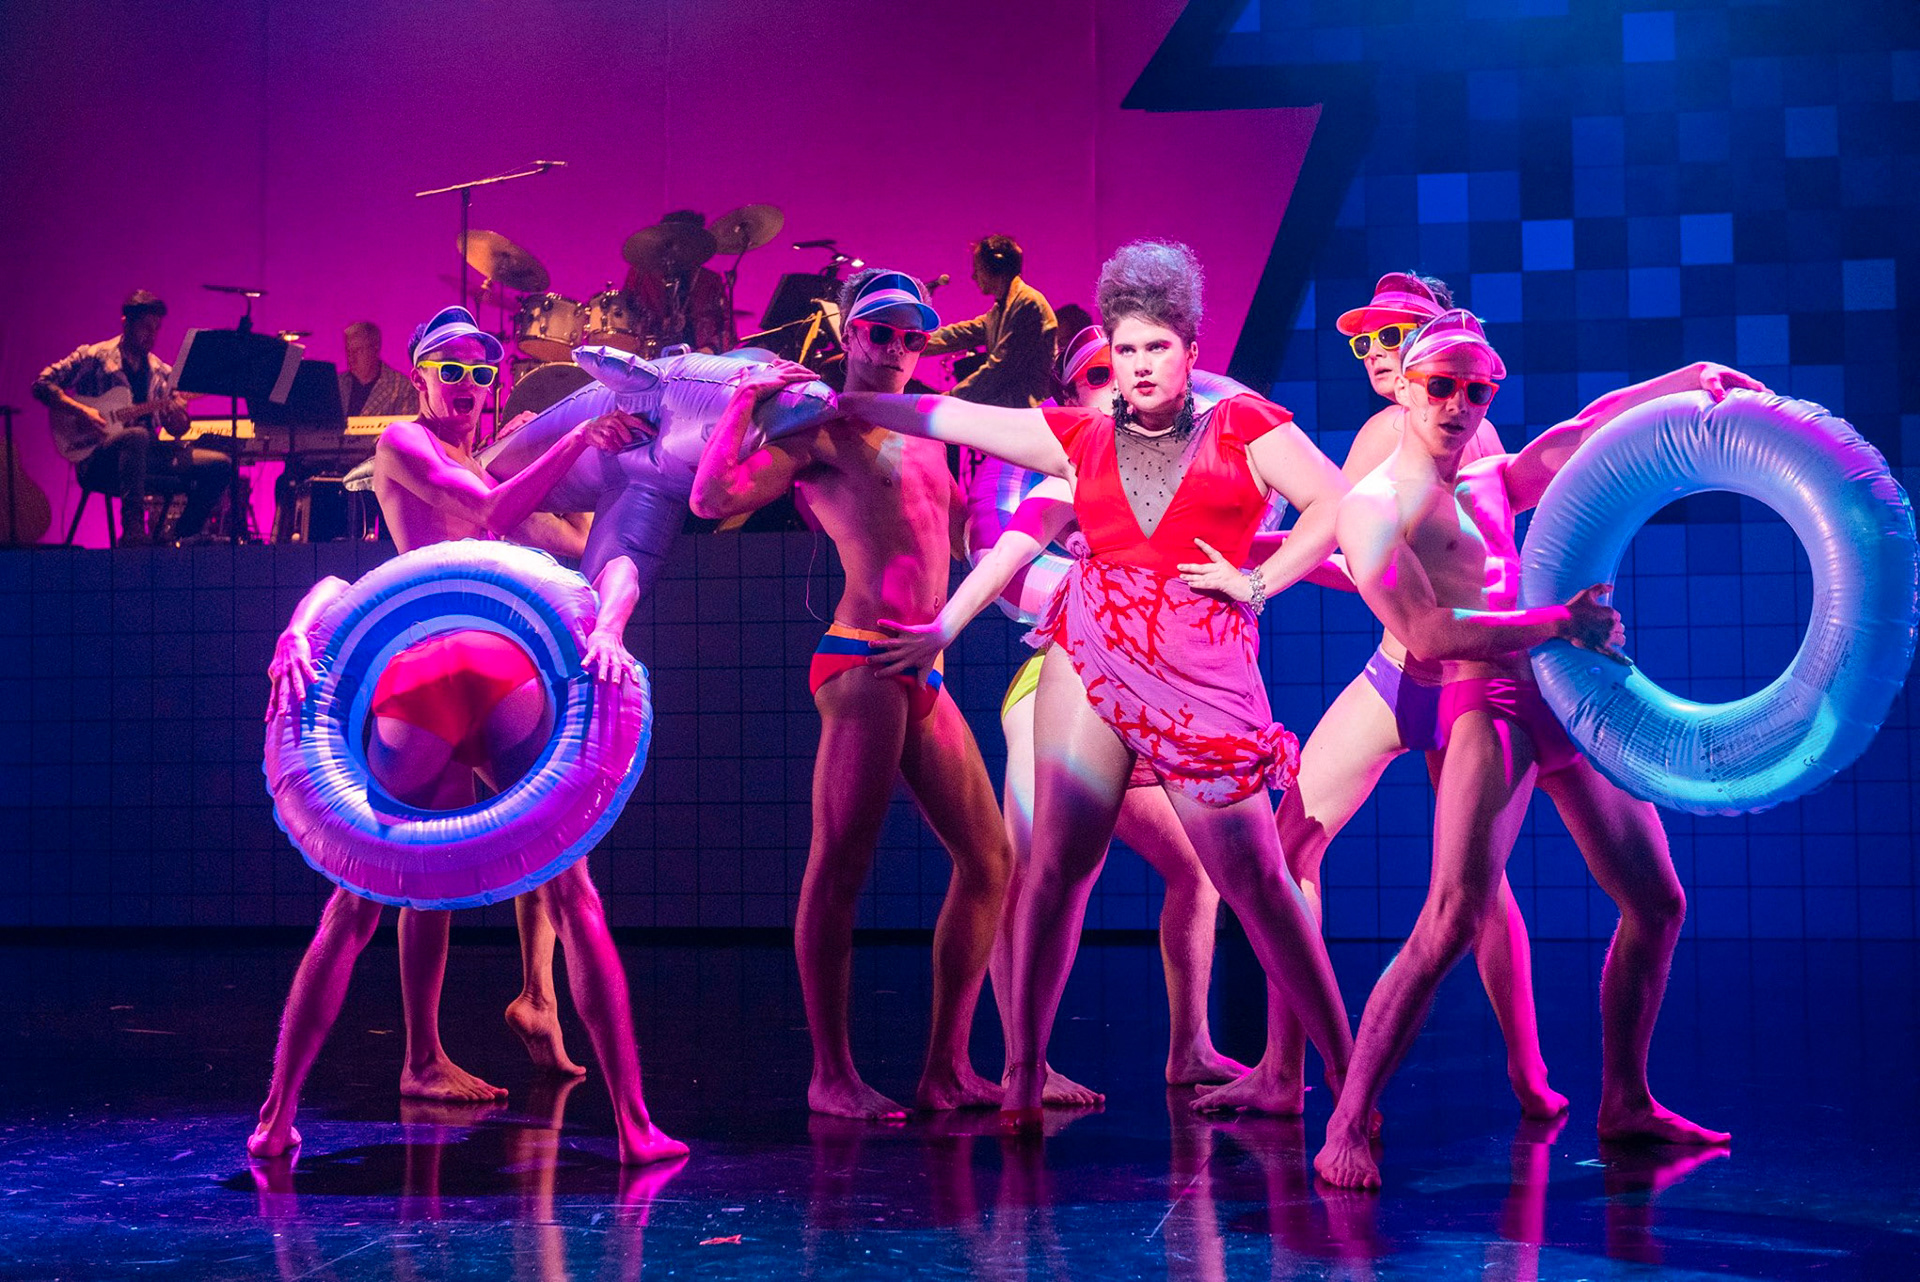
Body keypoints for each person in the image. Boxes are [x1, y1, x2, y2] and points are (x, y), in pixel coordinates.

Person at [837, 241, 1358, 1125]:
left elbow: (1335, 502)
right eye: (1126, 349)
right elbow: (946, 417)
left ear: (1191, 351)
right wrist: (837, 402)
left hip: (1201, 673)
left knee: (1258, 883)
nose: (1141, 365)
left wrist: (1260, 580)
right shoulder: (1077, 437)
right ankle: (1024, 1076)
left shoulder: (1243, 424)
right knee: (1056, 869)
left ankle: (1351, 1094)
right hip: (1093, 652)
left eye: (1158, 347)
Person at [1313, 309, 1757, 1188]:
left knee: (1657, 901)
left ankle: (1625, 1101)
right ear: (1406, 388)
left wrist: (1687, 378)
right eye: (1441, 387)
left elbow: (1585, 432)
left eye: (1476, 391)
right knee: (1451, 920)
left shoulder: (1489, 473)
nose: (1459, 405)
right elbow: (1428, 634)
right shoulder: (1373, 508)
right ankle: (1346, 1122)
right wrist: (1559, 622)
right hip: (1489, 703)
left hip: (1560, 694)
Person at [251, 306, 686, 1166]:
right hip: (425, 675)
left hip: (491, 677)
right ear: (419, 375)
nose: (468, 385)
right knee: (363, 898)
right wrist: (578, 436)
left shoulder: (481, 455)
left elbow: (566, 540)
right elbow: (484, 516)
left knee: (569, 891)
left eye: (482, 373)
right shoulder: (404, 444)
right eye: (451, 369)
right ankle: (276, 1112)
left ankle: (631, 1122)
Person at [1204, 272, 1563, 1119]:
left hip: (1449, 679)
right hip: (1410, 673)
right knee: (1311, 848)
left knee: (1454, 887)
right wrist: (1275, 552)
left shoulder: (1431, 430)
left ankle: (1300, 1072)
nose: (1373, 352)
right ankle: (1522, 1077)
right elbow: (1365, 562)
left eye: (1393, 336)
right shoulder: (1436, 429)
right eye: (1364, 339)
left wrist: (1264, 562)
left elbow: (1360, 564)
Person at [871, 324, 1250, 1101]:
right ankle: (1026, 1065)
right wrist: (945, 626)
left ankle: (1191, 1048)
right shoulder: (1068, 463)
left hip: (1156, 690)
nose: (1119, 382)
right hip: (1060, 681)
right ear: (1072, 392)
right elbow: (1004, 557)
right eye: (1098, 374)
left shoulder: (1176, 456)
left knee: (1197, 871)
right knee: (1033, 873)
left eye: (1129, 364)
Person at [689, 270, 1011, 1118]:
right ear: (850, 337)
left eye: (913, 336)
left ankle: (946, 1069)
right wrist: (744, 404)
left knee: (990, 861)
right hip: (863, 659)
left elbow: (961, 540)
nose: (899, 348)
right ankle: (830, 1074)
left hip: (923, 666)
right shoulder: (821, 431)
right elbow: (709, 497)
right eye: (881, 332)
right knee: (841, 866)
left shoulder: (932, 429)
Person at [33, 289, 233, 542]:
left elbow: (176, 427)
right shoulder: (94, 357)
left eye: (156, 328)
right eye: (146, 327)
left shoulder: (159, 371)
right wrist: (81, 411)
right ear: (126, 323)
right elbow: (42, 384)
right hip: (100, 459)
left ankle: (182, 536)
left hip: (149, 456)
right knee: (136, 436)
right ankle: (133, 530)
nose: (152, 335)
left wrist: (178, 420)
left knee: (219, 464)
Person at [925, 235, 1058, 408]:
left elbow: (1001, 367)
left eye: (978, 268)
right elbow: (958, 334)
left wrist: (952, 397)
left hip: (1027, 412)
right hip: (1011, 408)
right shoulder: (1000, 311)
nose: (974, 276)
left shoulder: (1028, 304)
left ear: (996, 266)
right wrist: (913, 343)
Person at [622, 210, 730, 354]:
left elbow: (727, 327)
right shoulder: (641, 275)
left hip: (698, 357)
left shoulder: (709, 280)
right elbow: (625, 317)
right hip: (650, 354)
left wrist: (710, 349)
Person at [337, 321, 420, 417]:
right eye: (349, 351)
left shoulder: (401, 387)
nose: (351, 358)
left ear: (375, 348)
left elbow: (404, 425)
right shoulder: (338, 384)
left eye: (358, 351)